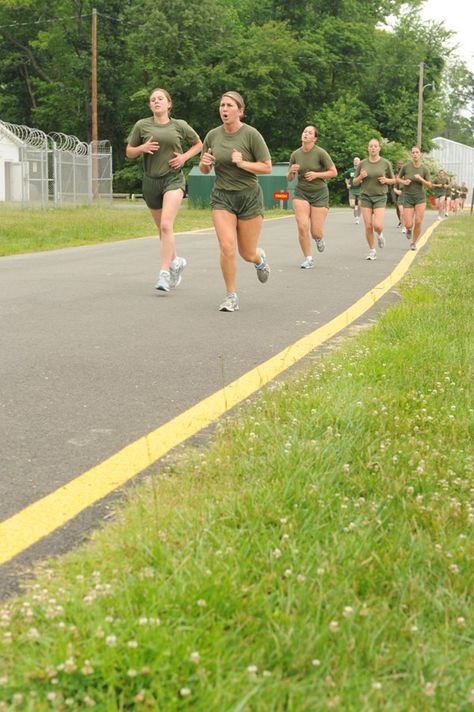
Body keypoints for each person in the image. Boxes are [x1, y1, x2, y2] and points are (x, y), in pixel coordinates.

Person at [199, 91, 272, 312]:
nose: (224, 109)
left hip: (249, 197)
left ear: (240, 111)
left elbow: (267, 167)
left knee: (246, 253)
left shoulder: (251, 135)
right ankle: (231, 296)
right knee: (227, 247)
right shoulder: (213, 135)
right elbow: (204, 169)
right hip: (222, 197)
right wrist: (204, 163)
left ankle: (259, 259)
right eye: (222, 105)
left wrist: (243, 164)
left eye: (229, 105)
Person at [126, 87, 202, 292]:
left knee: (167, 226)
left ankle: (164, 273)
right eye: (153, 99)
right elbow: (129, 152)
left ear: (169, 104)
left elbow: (198, 144)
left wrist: (184, 157)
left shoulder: (179, 125)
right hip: (151, 181)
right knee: (162, 230)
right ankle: (176, 262)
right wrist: (141, 149)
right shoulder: (142, 125)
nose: (156, 101)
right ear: (150, 105)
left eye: (160, 99)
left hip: (173, 179)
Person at [287, 126, 337, 269]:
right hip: (301, 192)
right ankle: (308, 258)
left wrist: (316, 174)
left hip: (319, 193)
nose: (306, 134)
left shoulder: (320, 153)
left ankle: (319, 239)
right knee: (302, 226)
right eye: (304, 132)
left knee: (316, 232)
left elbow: (333, 172)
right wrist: (291, 171)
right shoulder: (295, 154)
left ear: (314, 138)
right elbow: (289, 178)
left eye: (309, 133)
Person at [352, 138, 395, 260]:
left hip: (380, 196)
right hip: (365, 196)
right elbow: (354, 182)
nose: (373, 148)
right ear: (368, 148)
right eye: (371, 146)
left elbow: (394, 180)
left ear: (379, 148)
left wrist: (386, 180)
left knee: (377, 225)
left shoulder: (385, 163)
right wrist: (360, 176)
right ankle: (372, 250)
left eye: (375, 146)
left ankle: (380, 234)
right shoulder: (362, 163)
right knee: (368, 226)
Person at [397, 146, 432, 251]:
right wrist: (404, 182)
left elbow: (429, 185)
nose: (415, 154)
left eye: (417, 152)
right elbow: (397, 178)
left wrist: (421, 179)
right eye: (413, 152)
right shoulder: (406, 167)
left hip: (420, 198)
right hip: (407, 197)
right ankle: (408, 229)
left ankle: (413, 243)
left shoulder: (424, 169)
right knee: (408, 223)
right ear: (411, 154)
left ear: (420, 154)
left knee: (418, 221)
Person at [344, 157, 361, 224]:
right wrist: (347, 184)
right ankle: (355, 209)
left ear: (360, 162)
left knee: (360, 204)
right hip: (352, 189)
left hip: (360, 189)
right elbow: (346, 178)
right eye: (355, 160)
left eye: (357, 160)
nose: (356, 162)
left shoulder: (361, 170)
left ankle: (358, 218)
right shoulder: (350, 170)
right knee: (352, 205)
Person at [392, 159, 405, 231]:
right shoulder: (394, 172)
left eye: (401, 163)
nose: (400, 165)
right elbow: (392, 179)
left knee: (403, 207)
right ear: (397, 165)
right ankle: (400, 220)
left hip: (402, 189)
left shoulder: (405, 172)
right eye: (399, 164)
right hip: (395, 188)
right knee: (397, 206)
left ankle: (402, 221)